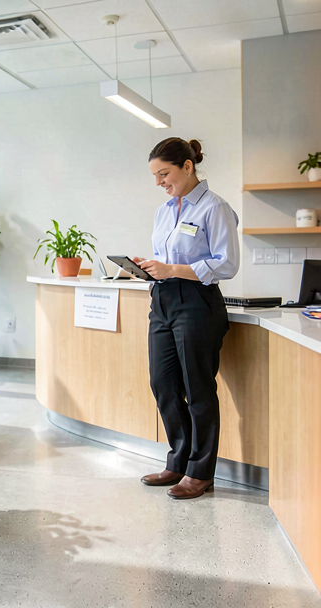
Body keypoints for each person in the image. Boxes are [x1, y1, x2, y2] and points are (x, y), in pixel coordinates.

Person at [135, 138, 240, 500]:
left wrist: (173, 268)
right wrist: (148, 268)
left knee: (198, 389)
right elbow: (165, 258)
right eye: (155, 176)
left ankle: (200, 472)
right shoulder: (164, 211)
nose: (160, 182)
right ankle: (178, 460)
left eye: (164, 173)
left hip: (196, 303)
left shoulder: (215, 208)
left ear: (187, 167)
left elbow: (227, 263)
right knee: (162, 383)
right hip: (162, 299)